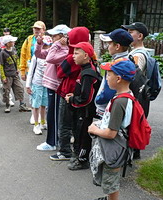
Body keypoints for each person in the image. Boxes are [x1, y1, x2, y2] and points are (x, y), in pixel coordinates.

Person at [88, 60, 136, 200]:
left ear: (118, 78)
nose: (106, 77)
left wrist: (94, 129)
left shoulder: (120, 102)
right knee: (110, 178)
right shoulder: (126, 95)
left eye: (108, 75)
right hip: (117, 147)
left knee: (110, 181)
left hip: (114, 149)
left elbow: (111, 133)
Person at [34, 24, 71, 151]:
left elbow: (49, 58)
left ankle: (52, 142)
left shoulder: (65, 50)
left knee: (54, 115)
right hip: (51, 84)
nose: (52, 37)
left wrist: (56, 45)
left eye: (55, 35)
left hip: (56, 86)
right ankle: (53, 140)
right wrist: (39, 43)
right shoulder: (58, 48)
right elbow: (39, 54)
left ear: (62, 37)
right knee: (52, 113)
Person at [65, 42, 99, 170]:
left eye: (76, 53)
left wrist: (72, 99)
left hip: (85, 112)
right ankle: (78, 156)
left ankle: (82, 160)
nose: (73, 56)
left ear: (86, 55)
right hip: (82, 111)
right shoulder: (85, 69)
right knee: (78, 133)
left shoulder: (88, 73)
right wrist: (74, 94)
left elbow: (86, 98)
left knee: (83, 135)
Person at [121, 22, 150, 160]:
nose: (128, 34)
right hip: (139, 96)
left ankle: (133, 153)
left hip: (135, 96)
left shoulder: (138, 55)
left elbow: (133, 75)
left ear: (140, 36)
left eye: (131, 32)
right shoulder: (136, 52)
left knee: (133, 125)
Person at [95, 29, 133, 117]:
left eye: (109, 44)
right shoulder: (128, 61)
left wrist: (98, 99)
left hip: (110, 109)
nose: (107, 47)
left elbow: (109, 91)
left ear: (117, 46)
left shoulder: (118, 65)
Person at [26, 36, 52, 134]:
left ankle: (42, 121)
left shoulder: (50, 56)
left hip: (46, 83)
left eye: (48, 45)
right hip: (37, 83)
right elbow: (31, 71)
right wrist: (28, 85)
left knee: (44, 104)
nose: (46, 47)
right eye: (44, 45)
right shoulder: (36, 57)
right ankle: (36, 125)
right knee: (36, 104)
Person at [0, 35, 31, 113]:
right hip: (7, 75)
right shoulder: (3, 52)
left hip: (15, 74)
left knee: (19, 88)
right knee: (6, 91)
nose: (13, 42)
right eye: (11, 41)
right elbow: (1, 65)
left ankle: (22, 105)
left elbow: (16, 59)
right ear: (7, 43)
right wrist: (3, 76)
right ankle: (7, 105)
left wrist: (18, 68)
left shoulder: (14, 49)